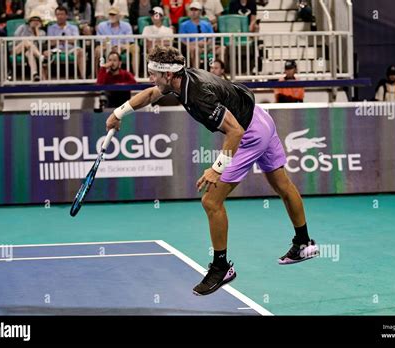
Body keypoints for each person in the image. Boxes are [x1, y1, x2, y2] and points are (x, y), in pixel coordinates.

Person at [105, 46, 319, 296]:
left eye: (154, 73)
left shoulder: (197, 94)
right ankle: (304, 243)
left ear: (169, 74)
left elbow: (235, 131)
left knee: (211, 201)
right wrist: (119, 113)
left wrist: (217, 169)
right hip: (261, 117)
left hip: (250, 133)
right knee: (283, 185)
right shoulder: (180, 79)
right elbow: (152, 94)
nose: (151, 78)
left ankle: (221, 268)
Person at [45, 6, 85, 79]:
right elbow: (50, 43)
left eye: (62, 14)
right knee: (45, 53)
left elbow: (75, 40)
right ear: (56, 16)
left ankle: (83, 77)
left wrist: (60, 40)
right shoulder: (51, 27)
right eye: (58, 14)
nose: (60, 16)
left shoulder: (73, 27)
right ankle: (44, 80)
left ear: (66, 16)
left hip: (71, 49)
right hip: (57, 49)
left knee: (81, 51)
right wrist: (66, 39)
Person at [95, 6, 135, 74]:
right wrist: (109, 47)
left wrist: (120, 46)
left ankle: (135, 75)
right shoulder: (101, 25)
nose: (112, 16)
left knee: (135, 48)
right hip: (106, 46)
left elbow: (130, 41)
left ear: (119, 16)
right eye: (110, 14)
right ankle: (97, 75)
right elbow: (99, 41)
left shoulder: (127, 25)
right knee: (97, 50)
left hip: (123, 47)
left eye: (114, 14)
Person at [179, 1, 214, 68]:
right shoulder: (184, 25)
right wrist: (197, 43)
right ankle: (196, 73)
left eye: (196, 10)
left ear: (200, 12)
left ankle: (221, 73)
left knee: (222, 49)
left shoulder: (207, 24)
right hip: (192, 47)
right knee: (195, 49)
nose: (193, 12)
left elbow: (211, 38)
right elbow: (182, 41)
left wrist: (206, 45)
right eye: (191, 10)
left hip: (207, 47)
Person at [13, 11, 46, 81]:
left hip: (31, 51)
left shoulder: (42, 32)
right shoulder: (22, 27)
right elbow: (15, 39)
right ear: (29, 21)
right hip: (17, 49)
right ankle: (40, 56)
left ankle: (35, 74)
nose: (35, 22)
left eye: (37, 20)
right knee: (26, 41)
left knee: (29, 53)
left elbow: (42, 44)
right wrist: (27, 41)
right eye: (33, 20)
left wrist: (36, 31)